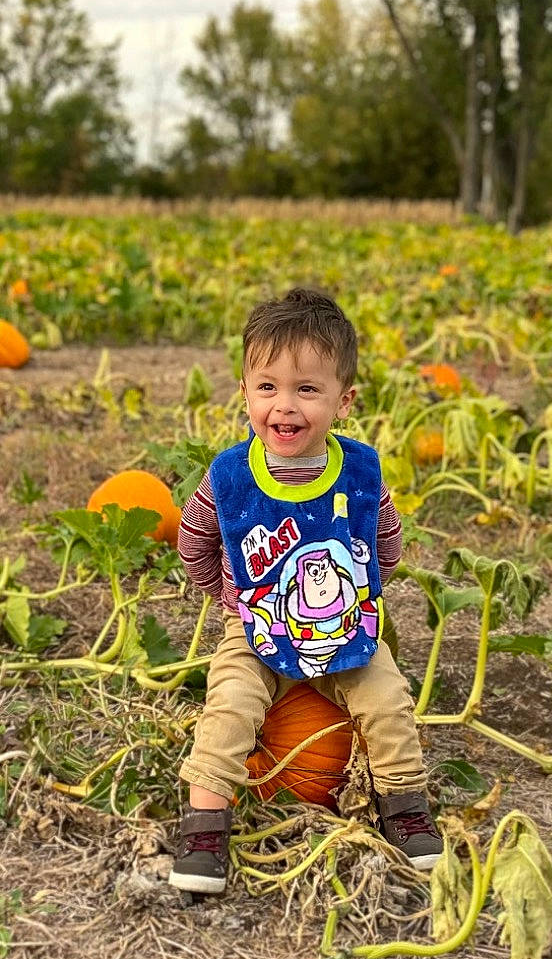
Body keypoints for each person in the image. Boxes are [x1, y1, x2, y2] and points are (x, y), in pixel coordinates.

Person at [170, 286, 442, 896]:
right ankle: (206, 826)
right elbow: (195, 539)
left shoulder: (359, 473)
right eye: (267, 387)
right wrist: (229, 597)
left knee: (388, 698)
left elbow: (385, 539)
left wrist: (361, 591)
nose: (284, 406)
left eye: (307, 390)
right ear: (244, 392)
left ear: (343, 402)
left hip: (344, 621)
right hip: (258, 622)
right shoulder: (232, 480)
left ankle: (404, 804)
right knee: (230, 704)